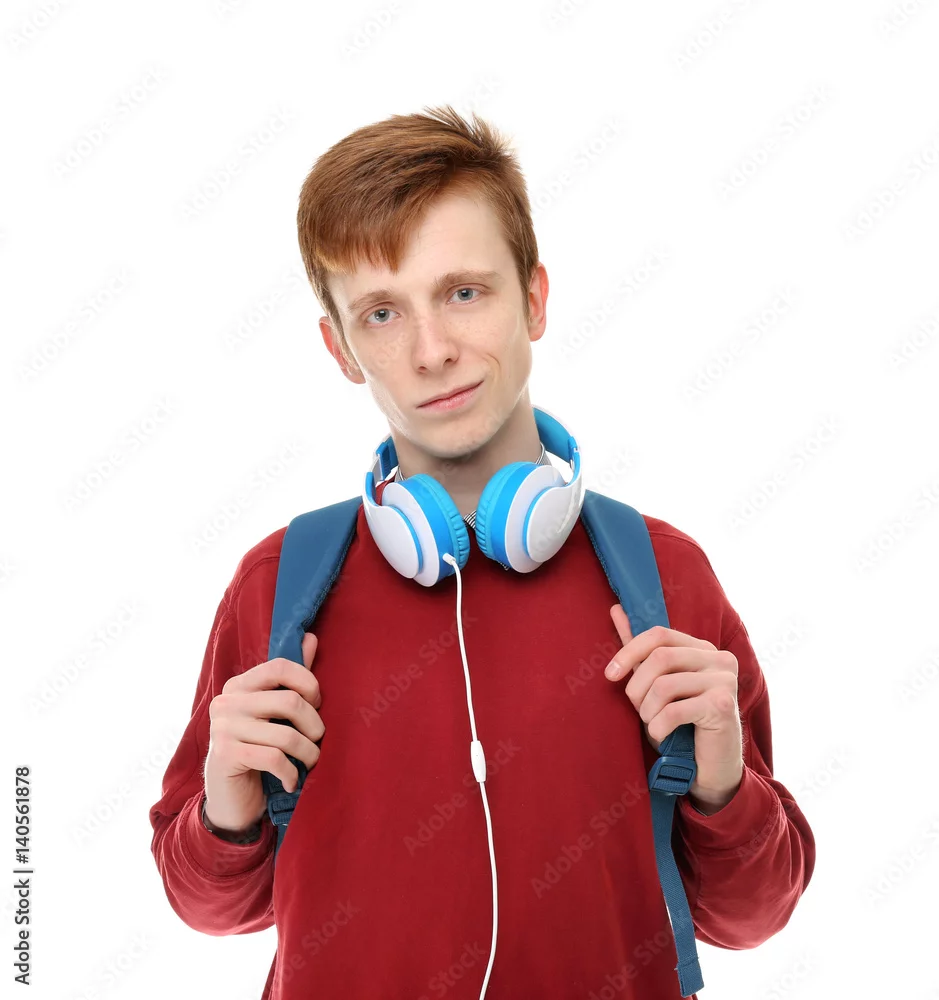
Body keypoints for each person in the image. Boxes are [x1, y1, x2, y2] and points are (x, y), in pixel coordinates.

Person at [148, 104, 815, 1000]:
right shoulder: (280, 585)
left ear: (533, 299)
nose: (431, 351)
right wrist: (224, 809)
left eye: (464, 292)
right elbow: (210, 909)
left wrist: (722, 781)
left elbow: (751, 916)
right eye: (382, 313)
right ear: (340, 349)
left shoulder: (663, 575)